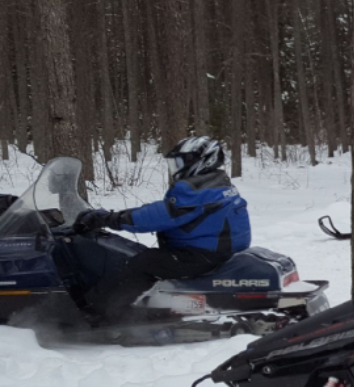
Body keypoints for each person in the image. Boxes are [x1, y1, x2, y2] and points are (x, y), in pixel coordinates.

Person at [74, 136, 251, 324]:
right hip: (215, 250)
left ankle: (107, 312)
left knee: (142, 264)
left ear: (202, 161)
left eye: (181, 162)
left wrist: (108, 219)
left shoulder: (198, 191)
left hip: (201, 255)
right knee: (147, 257)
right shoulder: (216, 184)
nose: (176, 167)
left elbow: (157, 216)